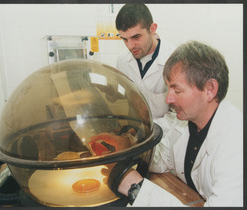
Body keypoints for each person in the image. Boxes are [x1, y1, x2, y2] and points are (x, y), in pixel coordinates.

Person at [90, 41, 243, 206]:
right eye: (169, 89)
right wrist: (129, 143)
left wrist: (136, 188)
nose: (168, 99)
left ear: (210, 89)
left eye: (177, 91)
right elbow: (163, 159)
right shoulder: (184, 123)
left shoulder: (236, 144)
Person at [115, 4, 175, 119]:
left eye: (136, 37)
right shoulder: (122, 60)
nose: (130, 46)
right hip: (136, 127)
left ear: (152, 29)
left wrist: (151, 130)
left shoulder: (174, 60)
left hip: (166, 133)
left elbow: (178, 116)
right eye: (124, 39)